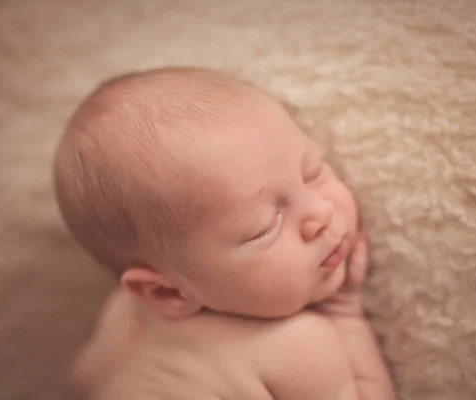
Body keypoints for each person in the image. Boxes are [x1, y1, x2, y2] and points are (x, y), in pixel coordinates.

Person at [54, 67, 395, 400]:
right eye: (266, 226)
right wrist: (345, 314)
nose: (320, 213)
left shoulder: (118, 315)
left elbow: (79, 380)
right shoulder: (299, 345)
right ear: (167, 293)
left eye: (313, 171)